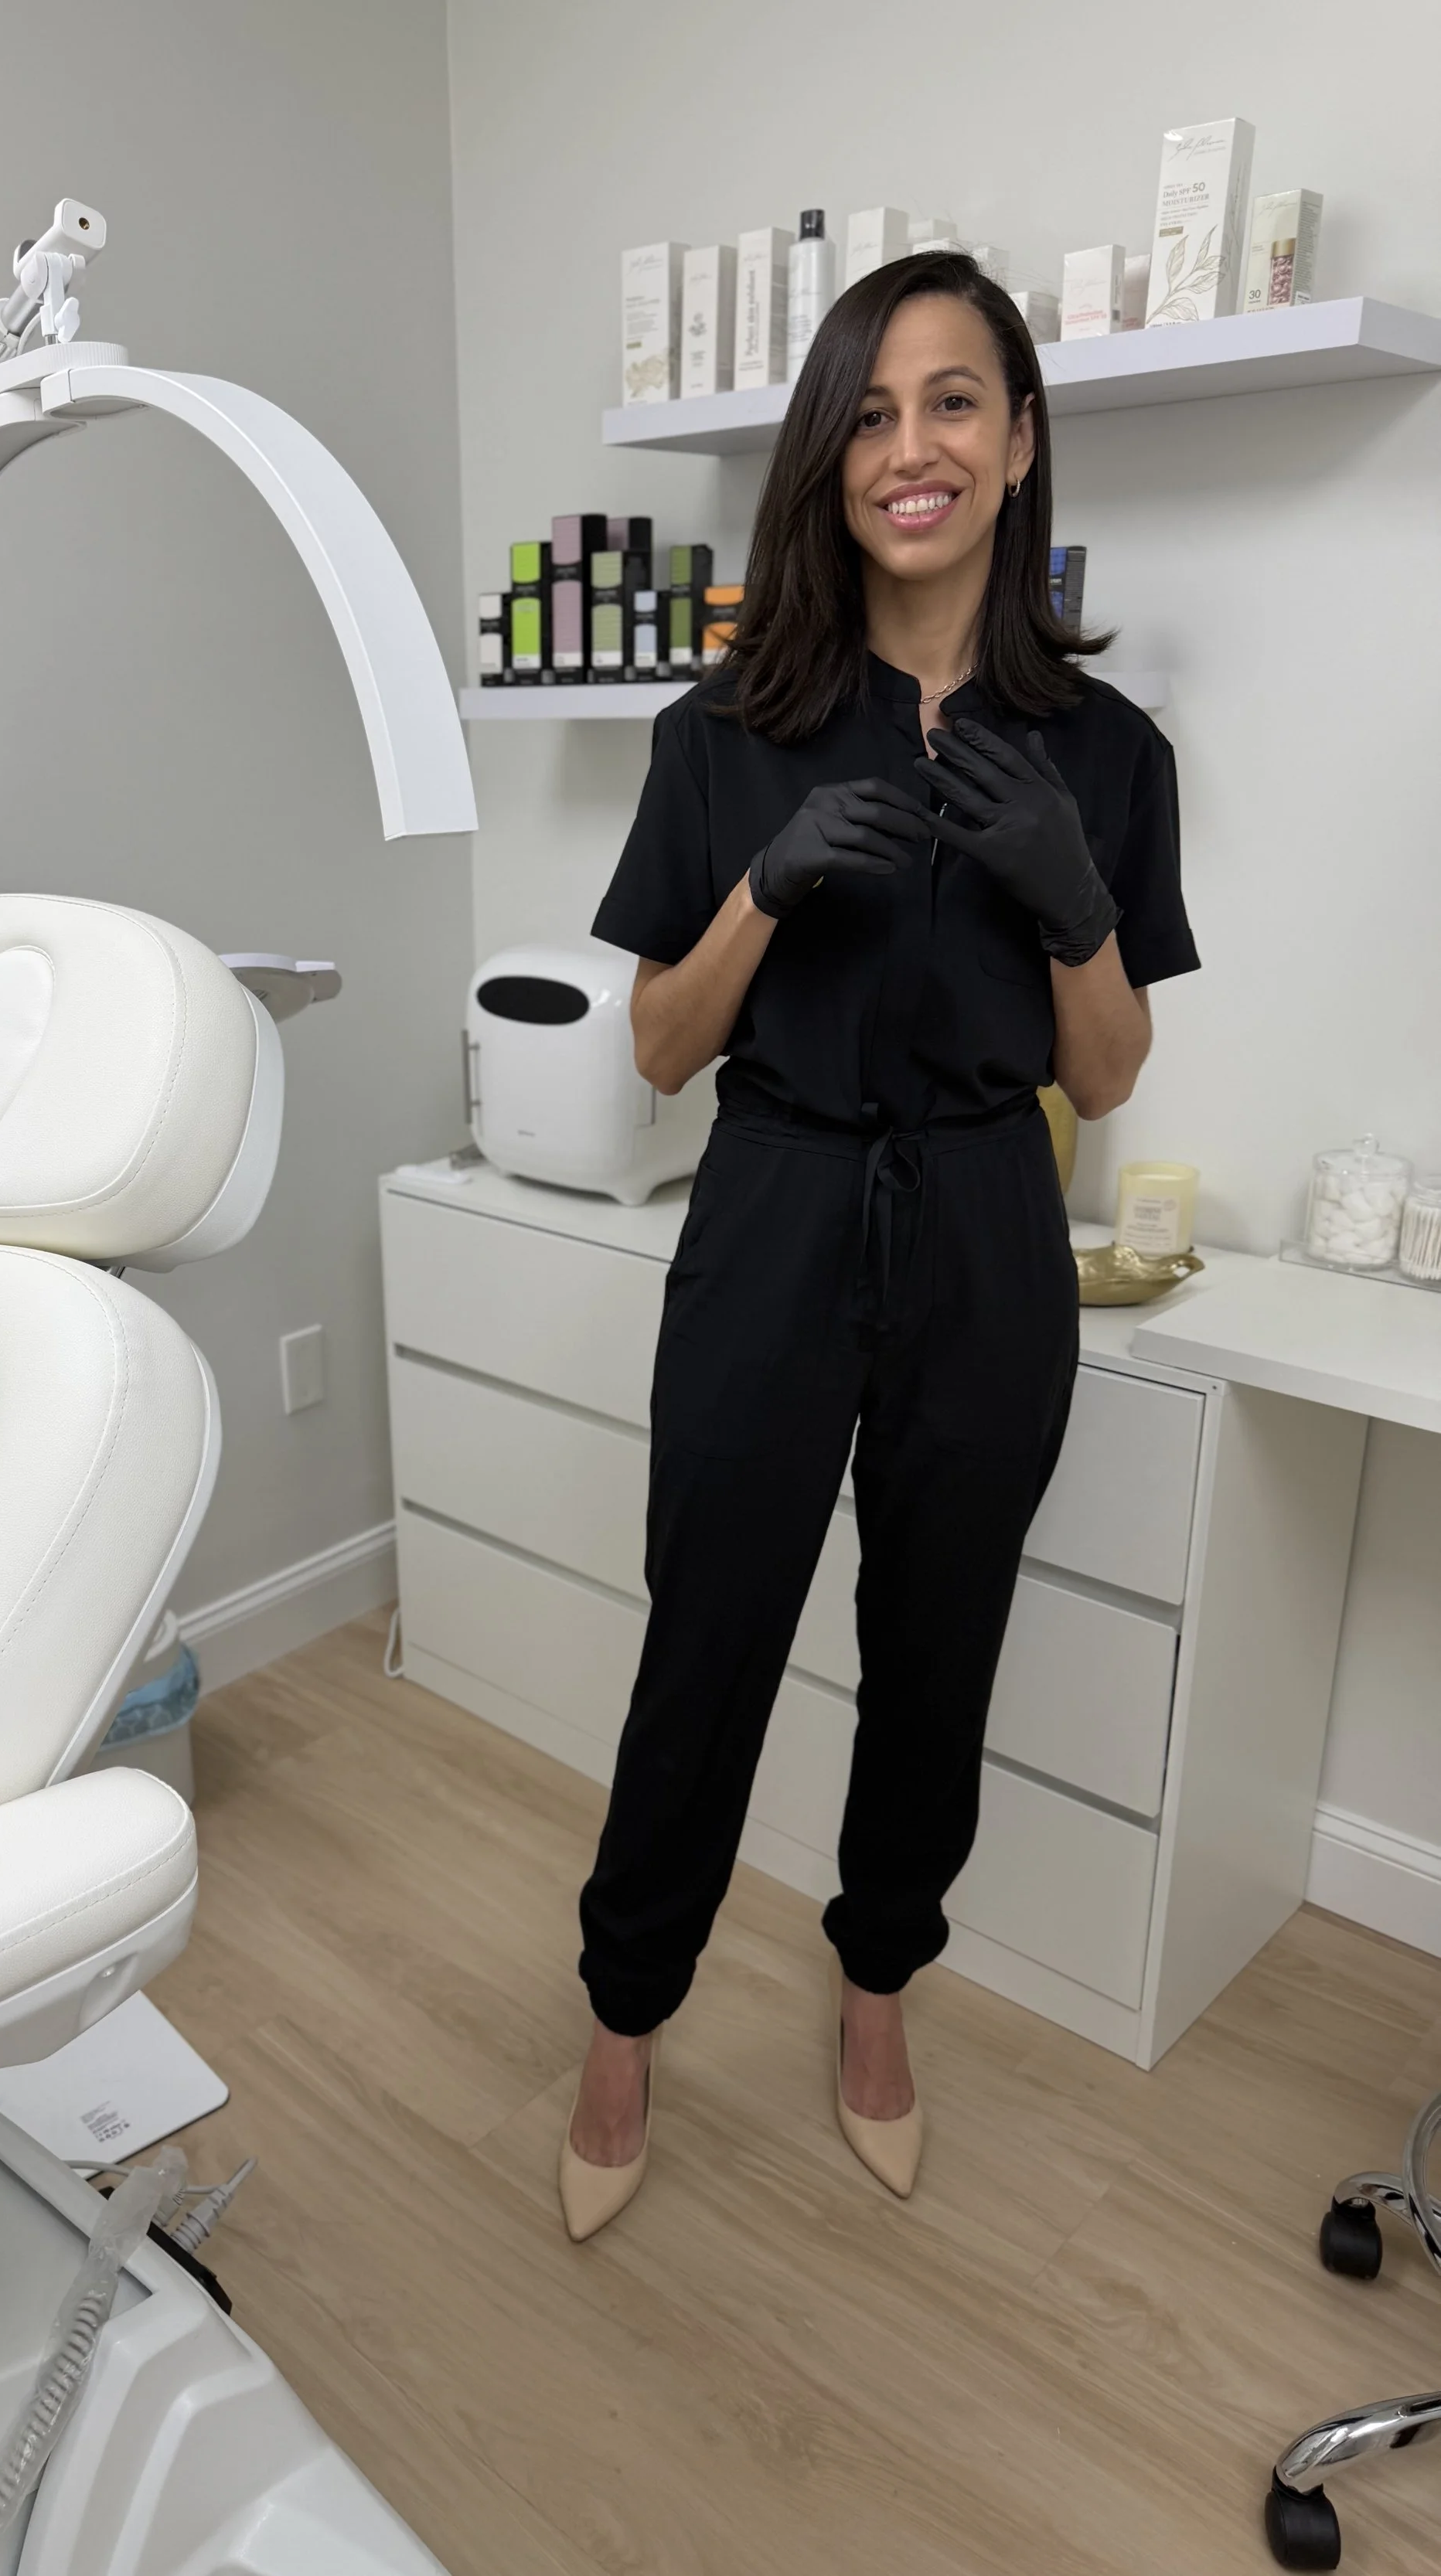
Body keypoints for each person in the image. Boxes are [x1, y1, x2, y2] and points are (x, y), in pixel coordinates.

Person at [557, 252, 1200, 2243]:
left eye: (950, 404)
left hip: (991, 1222)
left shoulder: (1108, 755)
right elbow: (661, 1048)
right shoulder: (723, 733)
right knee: (711, 1637)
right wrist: (761, 886)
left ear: (1015, 446)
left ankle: (875, 1996)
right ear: (829, 459)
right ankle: (623, 2018)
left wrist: (1065, 901)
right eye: (868, 410)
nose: (906, 447)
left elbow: (1107, 1070)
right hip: (775, 1201)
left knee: (940, 1652)